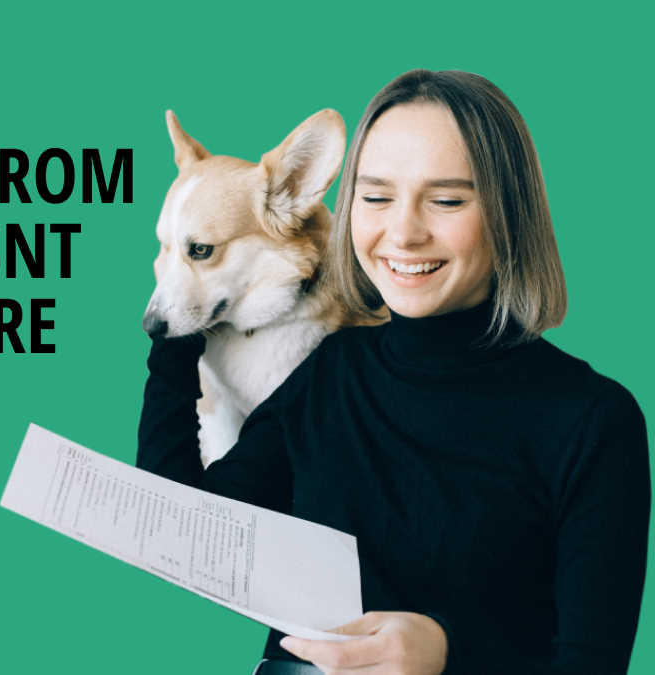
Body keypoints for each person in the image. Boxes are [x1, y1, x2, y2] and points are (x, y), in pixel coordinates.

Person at [136, 69, 650, 674]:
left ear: (508, 213)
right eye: (376, 196)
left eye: (448, 200)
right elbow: (183, 529)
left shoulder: (592, 420)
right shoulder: (330, 374)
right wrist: (175, 323)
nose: (402, 233)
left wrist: (447, 658)